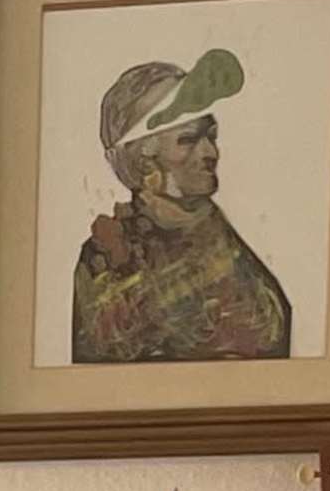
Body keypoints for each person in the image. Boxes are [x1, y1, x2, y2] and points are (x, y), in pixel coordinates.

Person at [73, 49, 291, 362]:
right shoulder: (105, 257)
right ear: (143, 156)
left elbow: (271, 336)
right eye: (188, 140)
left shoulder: (220, 241)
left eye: (211, 136)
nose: (210, 153)